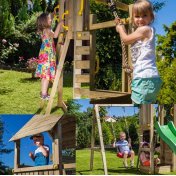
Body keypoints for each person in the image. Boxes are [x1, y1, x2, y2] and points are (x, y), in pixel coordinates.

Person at [115, 0, 162, 104]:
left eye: (144, 15)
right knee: (146, 104)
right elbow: (144, 56)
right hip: (151, 78)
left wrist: (120, 29)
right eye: (137, 16)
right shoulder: (149, 30)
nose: (140, 19)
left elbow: (126, 40)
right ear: (133, 18)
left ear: (151, 17)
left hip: (144, 79)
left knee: (137, 104)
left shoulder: (144, 29)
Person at [35, 12, 63, 100]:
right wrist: (60, 24)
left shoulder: (44, 30)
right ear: (44, 21)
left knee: (44, 76)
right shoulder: (47, 30)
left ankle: (43, 93)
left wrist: (54, 14)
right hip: (47, 56)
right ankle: (44, 95)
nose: (51, 20)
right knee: (46, 76)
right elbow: (55, 35)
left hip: (45, 56)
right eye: (49, 19)